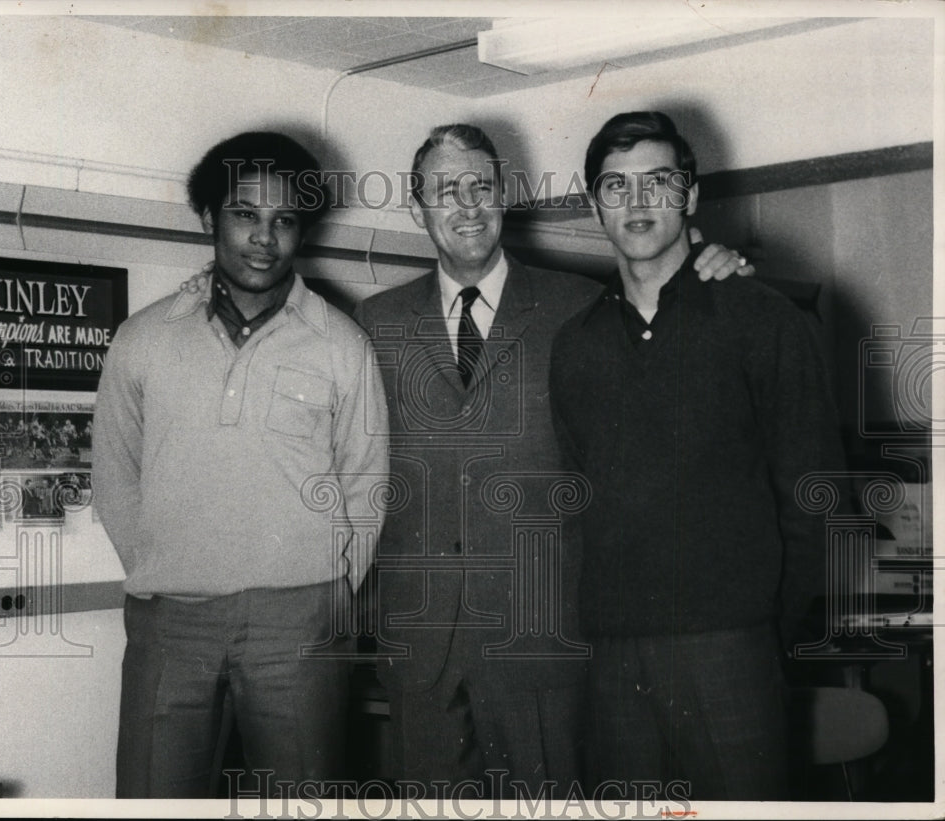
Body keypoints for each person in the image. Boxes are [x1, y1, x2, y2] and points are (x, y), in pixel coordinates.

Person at [354, 123, 752, 798]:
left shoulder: (582, 306)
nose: (467, 205)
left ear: (504, 196)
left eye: (481, 185)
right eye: (445, 191)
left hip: (544, 640)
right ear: (416, 208)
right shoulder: (373, 322)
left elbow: (673, 351)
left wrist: (724, 267)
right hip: (421, 648)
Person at [549, 111, 844, 801]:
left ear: (690, 195)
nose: (638, 202)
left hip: (733, 647)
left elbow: (817, 496)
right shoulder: (576, 343)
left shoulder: (764, 319)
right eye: (616, 186)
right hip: (616, 657)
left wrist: (763, 624)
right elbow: (579, 499)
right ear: (595, 205)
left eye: (658, 181)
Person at [93, 131, 389, 798]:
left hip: (300, 620)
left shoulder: (343, 345)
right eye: (245, 215)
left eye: (284, 220)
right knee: (151, 796)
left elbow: (366, 486)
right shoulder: (142, 338)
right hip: (170, 618)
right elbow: (114, 476)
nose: (265, 237)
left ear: (302, 230)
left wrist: (324, 591)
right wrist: (166, 566)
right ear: (209, 218)